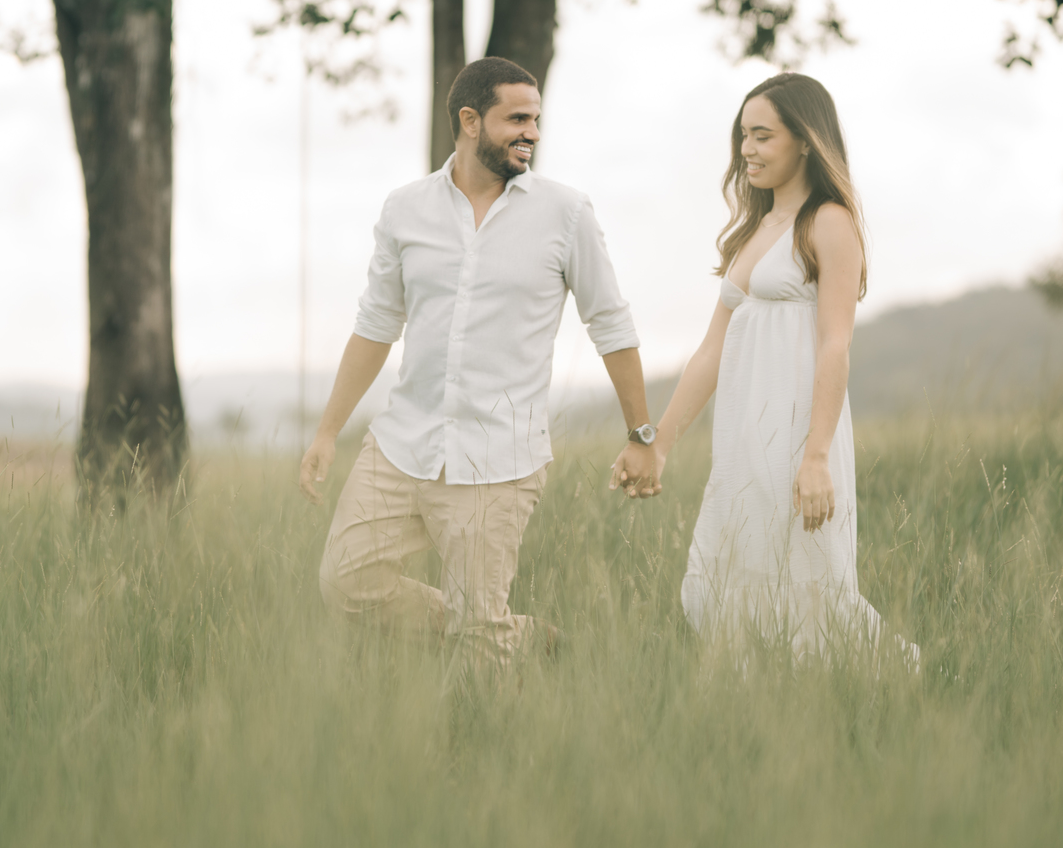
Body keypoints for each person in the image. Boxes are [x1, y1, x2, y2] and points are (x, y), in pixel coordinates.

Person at [301, 56, 662, 663]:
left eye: (537, 119)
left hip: (499, 458)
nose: (533, 133)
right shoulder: (404, 209)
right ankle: (518, 636)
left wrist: (641, 434)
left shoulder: (565, 213)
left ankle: (482, 709)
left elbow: (611, 324)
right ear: (470, 121)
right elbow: (376, 325)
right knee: (346, 584)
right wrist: (327, 431)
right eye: (516, 118)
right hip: (401, 446)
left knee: (477, 635)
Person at [620, 72, 917, 665]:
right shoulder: (755, 231)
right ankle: (752, 709)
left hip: (801, 437)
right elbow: (710, 352)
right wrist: (656, 443)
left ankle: (874, 692)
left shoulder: (827, 221)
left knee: (808, 582)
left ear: (805, 140)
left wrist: (815, 456)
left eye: (762, 136)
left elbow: (835, 344)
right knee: (728, 573)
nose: (747, 150)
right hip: (743, 441)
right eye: (742, 137)